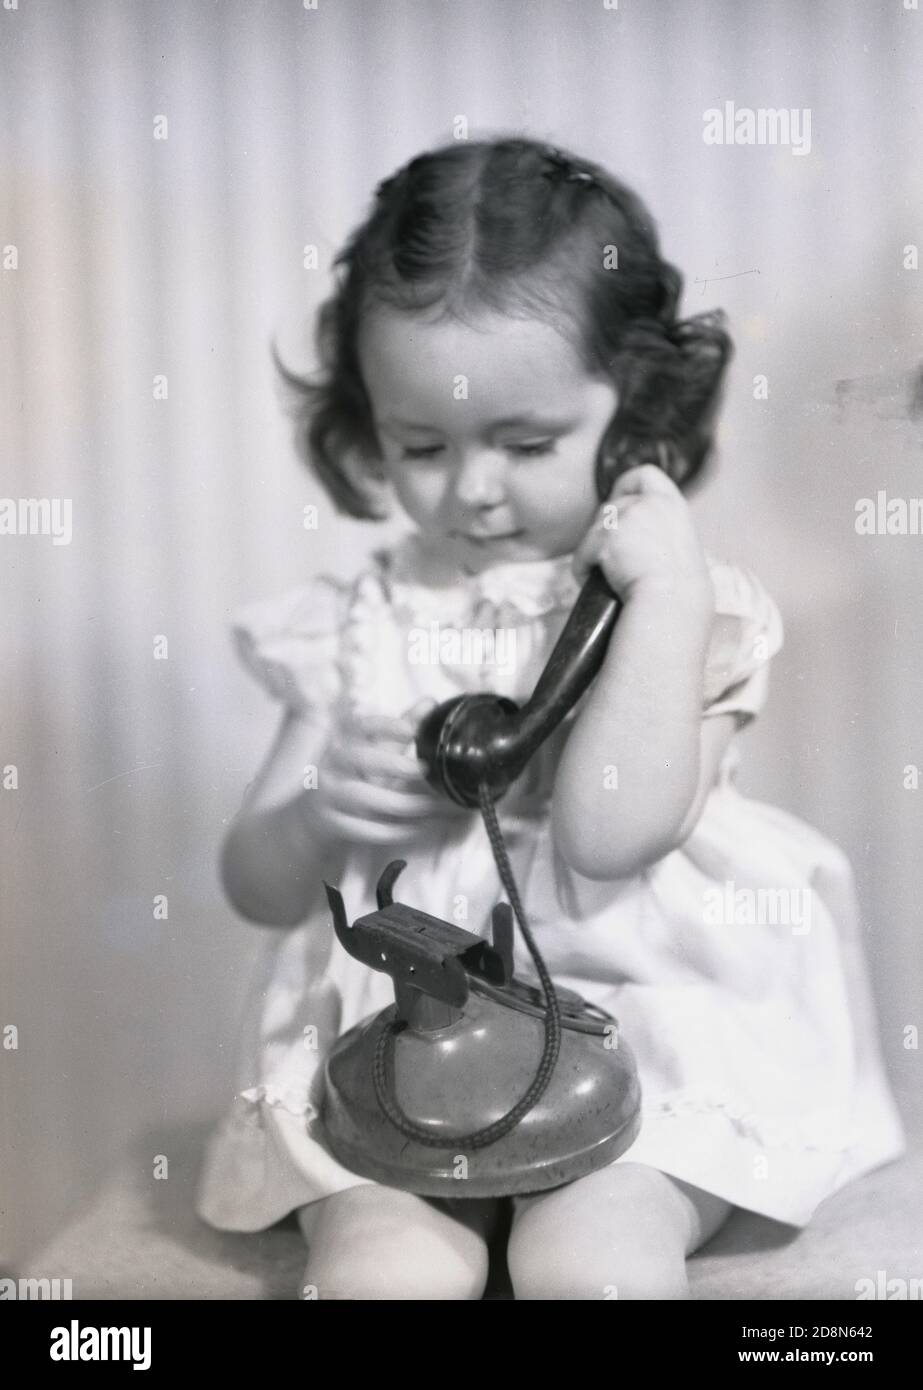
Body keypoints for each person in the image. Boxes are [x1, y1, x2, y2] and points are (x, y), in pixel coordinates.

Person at [194, 137, 906, 1299]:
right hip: (403, 1035)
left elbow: (606, 836)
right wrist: (321, 812)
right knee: (382, 1270)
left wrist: (659, 595)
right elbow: (254, 885)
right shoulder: (355, 622)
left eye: (525, 444)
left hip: (640, 1013)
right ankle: (389, 1223)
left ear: (633, 413)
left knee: (590, 1259)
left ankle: (608, 1219)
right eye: (419, 445)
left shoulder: (690, 608)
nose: (469, 488)